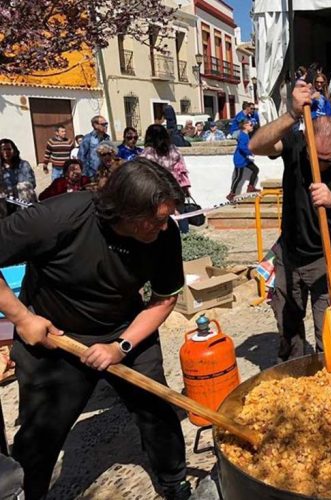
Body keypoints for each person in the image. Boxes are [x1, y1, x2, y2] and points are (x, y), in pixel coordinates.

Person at [0, 159, 191, 500]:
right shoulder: (59, 218)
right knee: (41, 433)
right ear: (125, 211)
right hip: (54, 336)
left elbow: (164, 298)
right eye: (157, 219)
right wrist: (21, 318)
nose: (164, 228)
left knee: (156, 408)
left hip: (124, 327)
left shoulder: (165, 236)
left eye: (168, 218)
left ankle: (174, 481)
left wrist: (121, 346)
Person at [249, 84, 331, 361]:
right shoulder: (296, 145)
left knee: (329, 335)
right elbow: (256, 145)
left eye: (329, 160)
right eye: (316, 158)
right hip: (288, 255)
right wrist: (291, 114)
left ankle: (329, 387)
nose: (322, 165)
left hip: (326, 261)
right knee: (288, 332)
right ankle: (295, 383)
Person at [0, 139, 37, 213]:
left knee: (24, 186)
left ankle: (27, 217)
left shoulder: (23, 165)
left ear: (14, 151)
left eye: (9, 149)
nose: (6, 152)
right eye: (3, 149)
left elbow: (31, 184)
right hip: (6, 201)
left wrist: (13, 190)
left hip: (22, 201)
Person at [229, 120, 259, 200]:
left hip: (245, 158)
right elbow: (242, 147)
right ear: (245, 126)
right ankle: (231, 193)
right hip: (239, 159)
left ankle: (251, 187)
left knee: (255, 169)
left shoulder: (246, 135)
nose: (252, 126)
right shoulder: (242, 135)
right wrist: (249, 153)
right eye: (251, 125)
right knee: (238, 177)